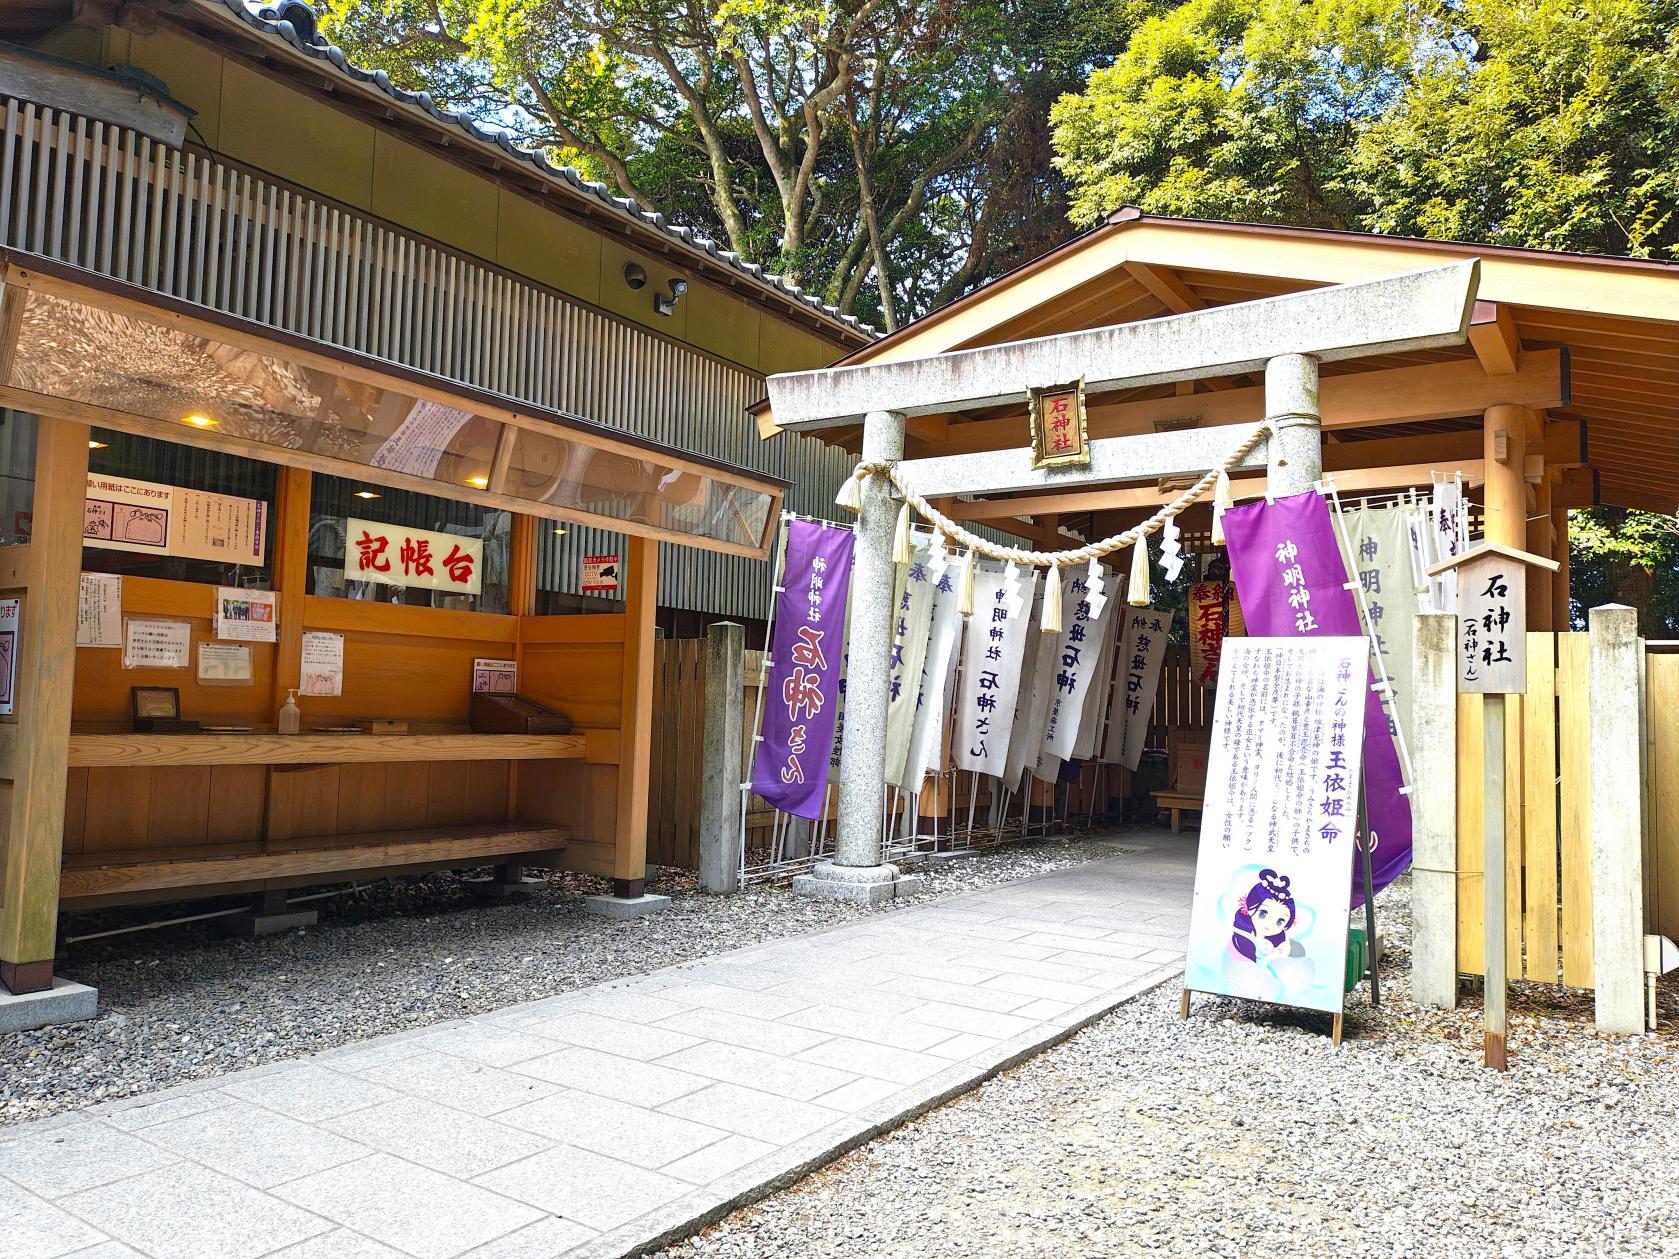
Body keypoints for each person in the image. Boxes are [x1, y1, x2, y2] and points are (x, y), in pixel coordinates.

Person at [1231, 868, 1302, 968]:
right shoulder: (1241, 938)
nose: (1269, 924)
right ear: (1250, 908)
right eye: (1263, 914)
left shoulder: (1280, 942)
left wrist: (1286, 953)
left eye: (1280, 921)